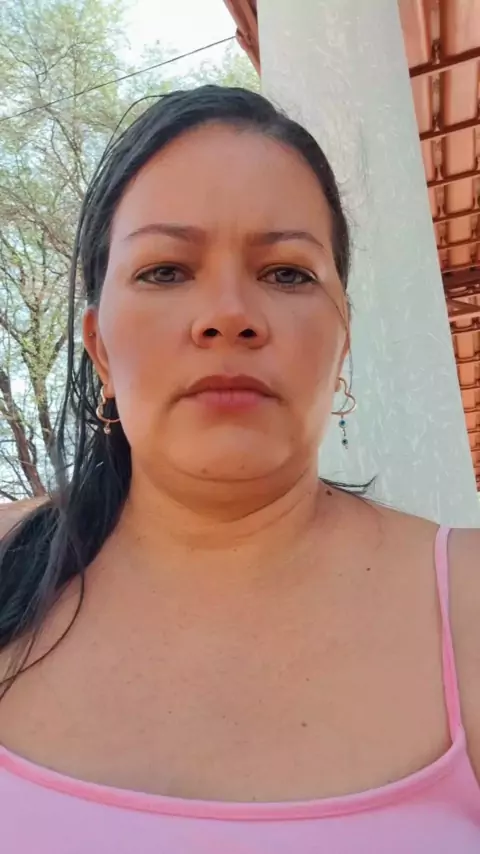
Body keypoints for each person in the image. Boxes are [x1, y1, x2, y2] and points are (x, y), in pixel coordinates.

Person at [0, 85, 479, 852]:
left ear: (342, 338)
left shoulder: (467, 605)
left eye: (287, 273)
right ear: (100, 349)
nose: (229, 314)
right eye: (165, 271)